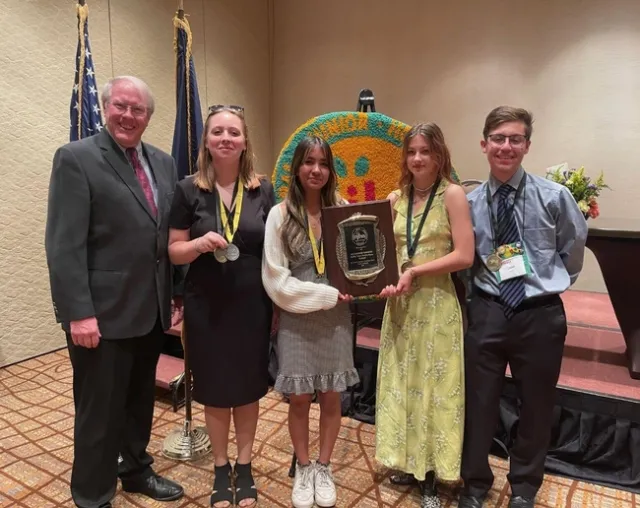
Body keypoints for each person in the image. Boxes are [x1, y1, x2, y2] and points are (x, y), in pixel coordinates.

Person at [44, 76, 185, 508]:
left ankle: (136, 471)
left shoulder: (163, 163)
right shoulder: (76, 158)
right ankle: (92, 495)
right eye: (120, 106)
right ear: (105, 108)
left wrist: (175, 294)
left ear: (149, 116)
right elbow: (63, 244)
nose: (128, 115)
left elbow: (165, 237)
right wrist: (78, 313)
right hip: (100, 317)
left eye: (137, 109)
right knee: (98, 415)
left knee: (139, 403)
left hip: (151, 310)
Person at [459, 106, 588, 508]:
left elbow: (573, 249)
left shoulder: (555, 197)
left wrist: (545, 284)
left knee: (536, 404)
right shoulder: (469, 201)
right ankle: (475, 483)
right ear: (484, 145)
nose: (506, 147)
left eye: (515, 139)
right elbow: (468, 257)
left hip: (539, 313)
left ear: (527, 146)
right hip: (489, 309)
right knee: (478, 402)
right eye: (498, 138)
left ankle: (525, 486)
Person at [167, 105, 274, 508]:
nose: (226, 138)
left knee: (247, 390)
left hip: (252, 303)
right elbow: (174, 251)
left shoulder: (262, 189)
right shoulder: (187, 189)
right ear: (207, 142)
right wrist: (197, 244)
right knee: (213, 391)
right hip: (206, 305)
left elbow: (273, 250)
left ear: (245, 140)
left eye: (234, 132)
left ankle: (243, 468)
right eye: (218, 132)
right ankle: (219, 466)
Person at [375, 123, 475, 508]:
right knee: (402, 384)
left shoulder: (453, 195)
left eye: (425, 151)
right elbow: (382, 251)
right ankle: (409, 462)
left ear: (439, 155)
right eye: (412, 151)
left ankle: (432, 474)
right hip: (400, 305)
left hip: (436, 306)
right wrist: (383, 278)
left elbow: (464, 255)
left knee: (434, 389)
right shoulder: (395, 198)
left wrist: (416, 271)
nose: (417, 158)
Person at [261, 136, 359, 508]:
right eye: (309, 162)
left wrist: (363, 280)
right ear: (297, 168)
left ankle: (323, 465)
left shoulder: (343, 209)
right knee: (300, 398)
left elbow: (357, 264)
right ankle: (303, 467)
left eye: (323, 163)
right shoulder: (280, 215)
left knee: (332, 396)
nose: (316, 170)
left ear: (330, 170)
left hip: (335, 320)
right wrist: (327, 295)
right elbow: (275, 281)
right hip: (296, 319)